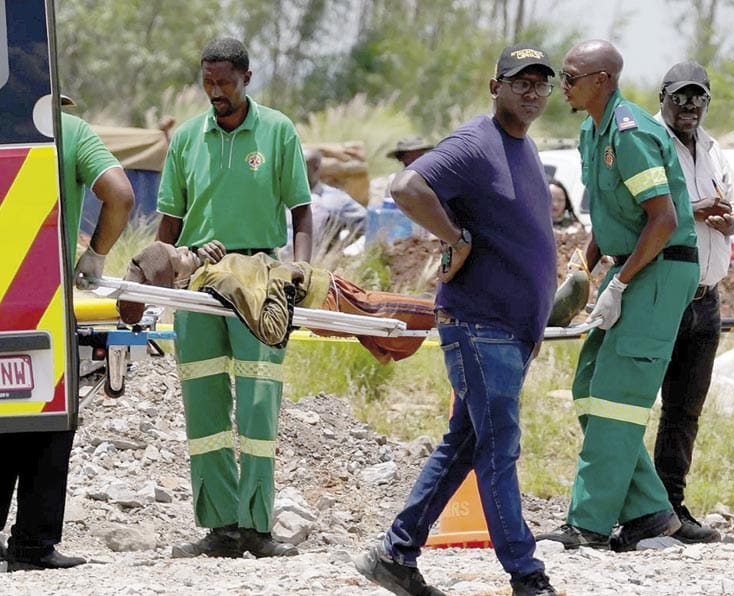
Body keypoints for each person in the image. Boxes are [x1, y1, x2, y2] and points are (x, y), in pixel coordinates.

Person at [354, 42, 560, 596]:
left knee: (466, 444)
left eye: (542, 82)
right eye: (521, 82)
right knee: (500, 447)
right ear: (496, 88)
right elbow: (405, 186)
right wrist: (454, 237)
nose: (533, 91)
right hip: (478, 325)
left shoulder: (523, 147)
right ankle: (527, 575)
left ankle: (395, 554)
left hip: (509, 331)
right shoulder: (475, 142)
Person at [536, 40, 699, 552]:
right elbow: (610, 219)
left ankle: (588, 522)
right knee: (588, 386)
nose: (562, 85)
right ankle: (650, 513)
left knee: (616, 399)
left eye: (570, 76)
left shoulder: (630, 133)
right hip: (632, 265)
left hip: (659, 269)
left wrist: (622, 283)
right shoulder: (591, 130)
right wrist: (582, 271)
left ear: (603, 79)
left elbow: (664, 219)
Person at [155, 38, 311, 559]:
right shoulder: (184, 139)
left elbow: (301, 212)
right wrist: (162, 273)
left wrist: (299, 270)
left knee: (258, 401)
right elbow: (170, 225)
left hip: (262, 277)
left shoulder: (277, 130)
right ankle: (219, 526)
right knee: (203, 402)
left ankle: (257, 527)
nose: (215, 92)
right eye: (208, 82)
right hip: (198, 279)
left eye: (225, 82)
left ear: (247, 77)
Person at [0, 99, 135, 570]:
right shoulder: (70, 130)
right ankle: (32, 544)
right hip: (43, 297)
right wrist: (95, 253)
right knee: (48, 415)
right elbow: (120, 194)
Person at [653, 61, 734, 543]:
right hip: (661, 296)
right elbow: (642, 214)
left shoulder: (712, 149)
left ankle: (672, 509)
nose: (690, 106)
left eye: (699, 98)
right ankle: (632, 510)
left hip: (706, 299)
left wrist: (730, 220)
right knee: (628, 407)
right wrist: (693, 212)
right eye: (681, 96)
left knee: (684, 411)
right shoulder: (648, 142)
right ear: (663, 96)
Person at [118, 240, 436, 363]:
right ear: (176, 276)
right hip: (322, 295)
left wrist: (210, 254)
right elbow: (271, 329)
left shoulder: (207, 272)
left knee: (401, 327)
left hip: (324, 290)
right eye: (180, 255)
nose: (186, 248)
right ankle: (459, 314)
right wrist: (282, 280)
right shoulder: (217, 281)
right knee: (422, 314)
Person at [304, 147, 366, 257]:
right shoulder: (278, 196)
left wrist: (338, 248)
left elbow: (366, 223)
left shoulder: (336, 199)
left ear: (315, 168)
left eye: (300, 166)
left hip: (315, 265)